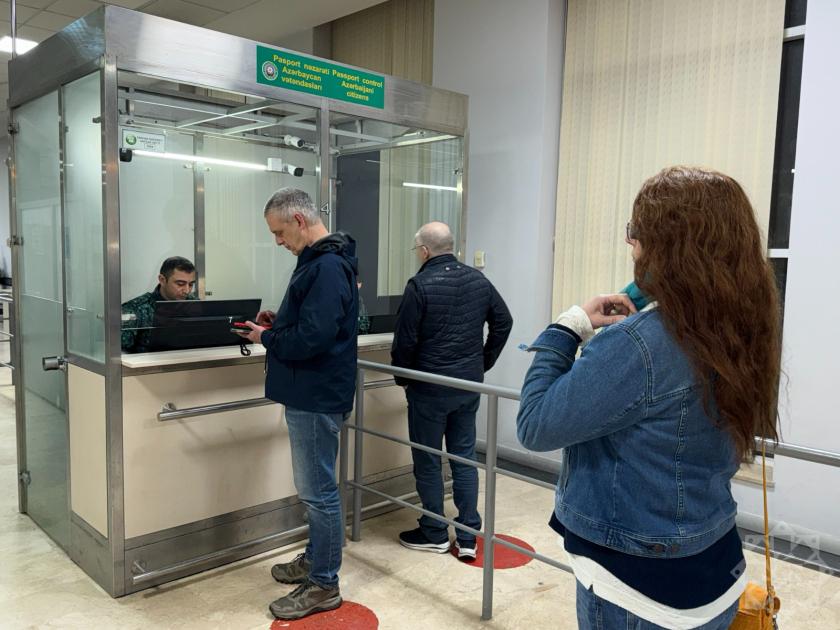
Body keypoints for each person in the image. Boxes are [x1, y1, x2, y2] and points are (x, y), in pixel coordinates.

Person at [517, 166, 782, 630]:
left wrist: (568, 325)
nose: (631, 244)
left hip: (637, 586)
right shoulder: (741, 328)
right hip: (713, 567)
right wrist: (643, 292)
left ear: (662, 246)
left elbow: (535, 424)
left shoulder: (639, 345)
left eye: (636, 233)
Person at [236, 188, 359, 621]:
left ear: (300, 221)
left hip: (316, 395)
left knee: (318, 492)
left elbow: (313, 339)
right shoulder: (322, 261)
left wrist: (267, 338)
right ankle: (314, 560)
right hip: (314, 391)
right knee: (317, 490)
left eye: (279, 232)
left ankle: (324, 583)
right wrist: (279, 322)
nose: (277, 241)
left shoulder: (326, 266)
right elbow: (314, 324)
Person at [391, 222, 513, 560]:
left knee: (428, 460)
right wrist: (481, 363)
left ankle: (433, 532)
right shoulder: (478, 280)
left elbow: (405, 341)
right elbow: (504, 322)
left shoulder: (419, 285)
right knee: (463, 457)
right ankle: (468, 535)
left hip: (428, 388)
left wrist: (403, 377)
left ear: (424, 251)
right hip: (466, 386)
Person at [121, 256, 197, 353]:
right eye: (180, 284)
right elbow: (120, 352)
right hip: (150, 362)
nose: (187, 290)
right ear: (162, 280)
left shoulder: (195, 304)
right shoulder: (135, 309)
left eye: (191, 284)